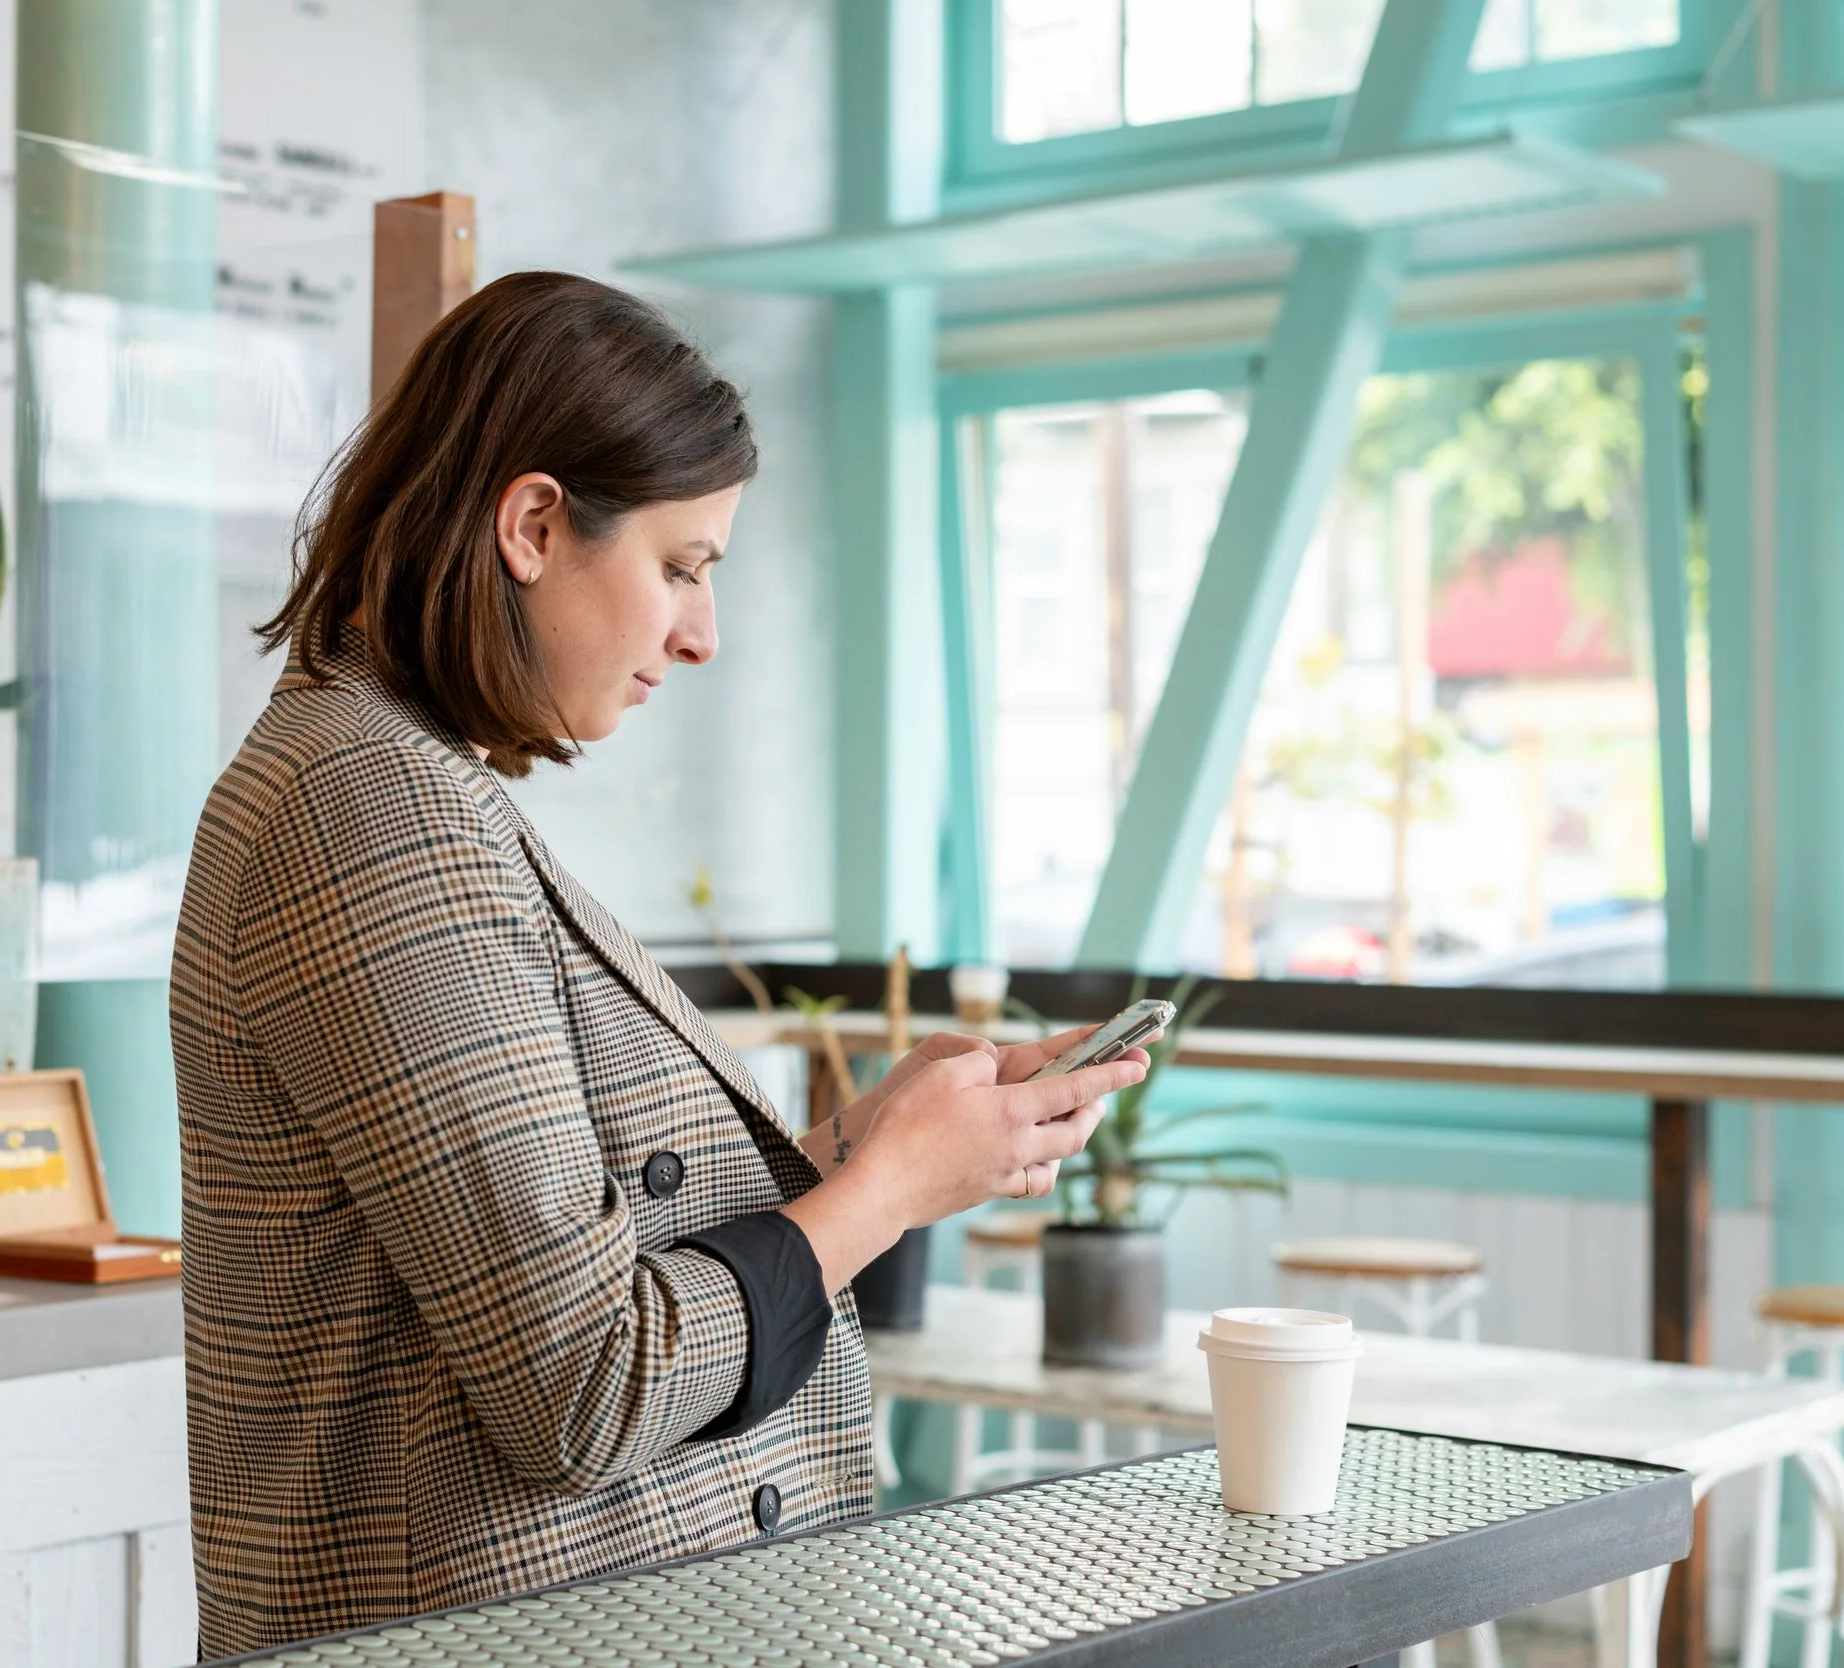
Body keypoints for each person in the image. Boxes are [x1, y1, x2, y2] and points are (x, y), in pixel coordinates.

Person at [168, 270, 1145, 1658]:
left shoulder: (409, 788)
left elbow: (571, 1247)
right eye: (681, 567)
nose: (702, 632)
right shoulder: (367, 810)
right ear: (533, 523)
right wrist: (883, 1191)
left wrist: (856, 1150)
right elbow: (590, 1382)